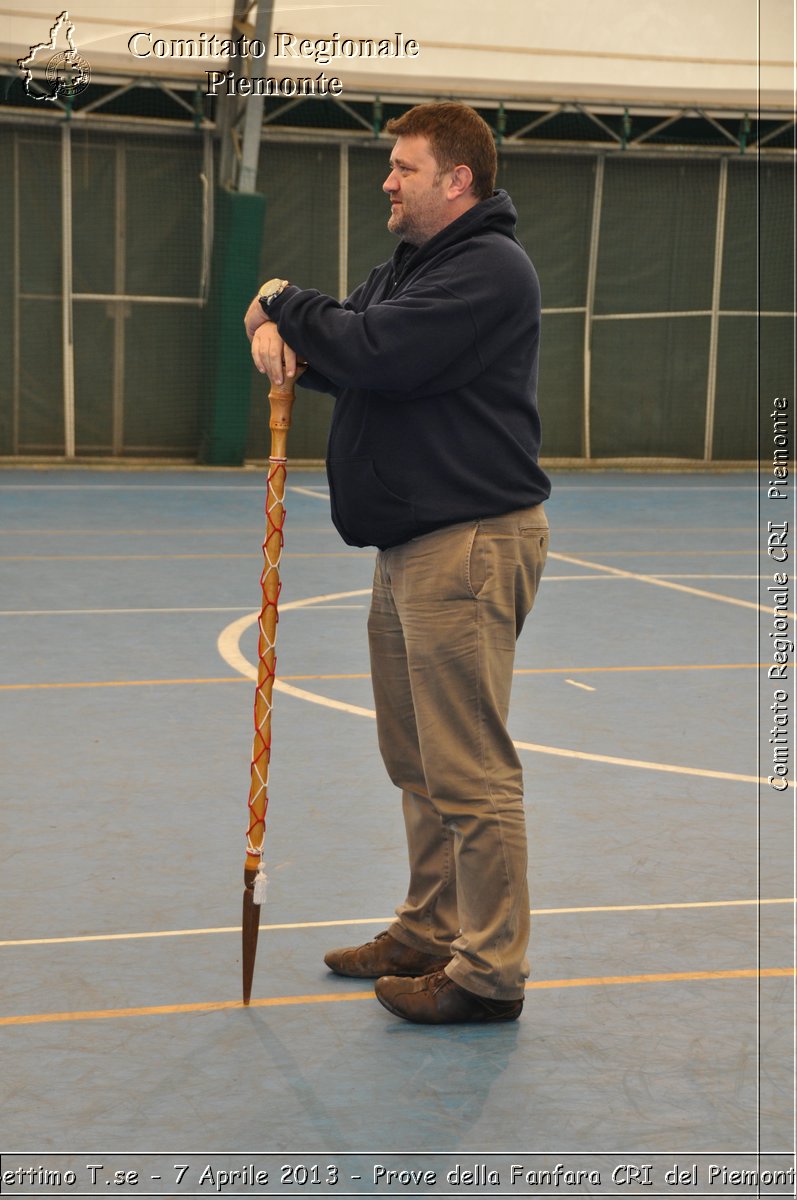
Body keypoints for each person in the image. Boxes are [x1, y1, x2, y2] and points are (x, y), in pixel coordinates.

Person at [244, 101, 550, 1024]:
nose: (388, 180)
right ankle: (429, 926)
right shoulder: (417, 265)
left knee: (469, 768)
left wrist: (279, 298)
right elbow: (348, 353)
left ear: (455, 181)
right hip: (413, 541)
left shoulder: (488, 270)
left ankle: (488, 972)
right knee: (414, 757)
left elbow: (374, 346)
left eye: (403, 168)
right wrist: (279, 328)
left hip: (466, 543)